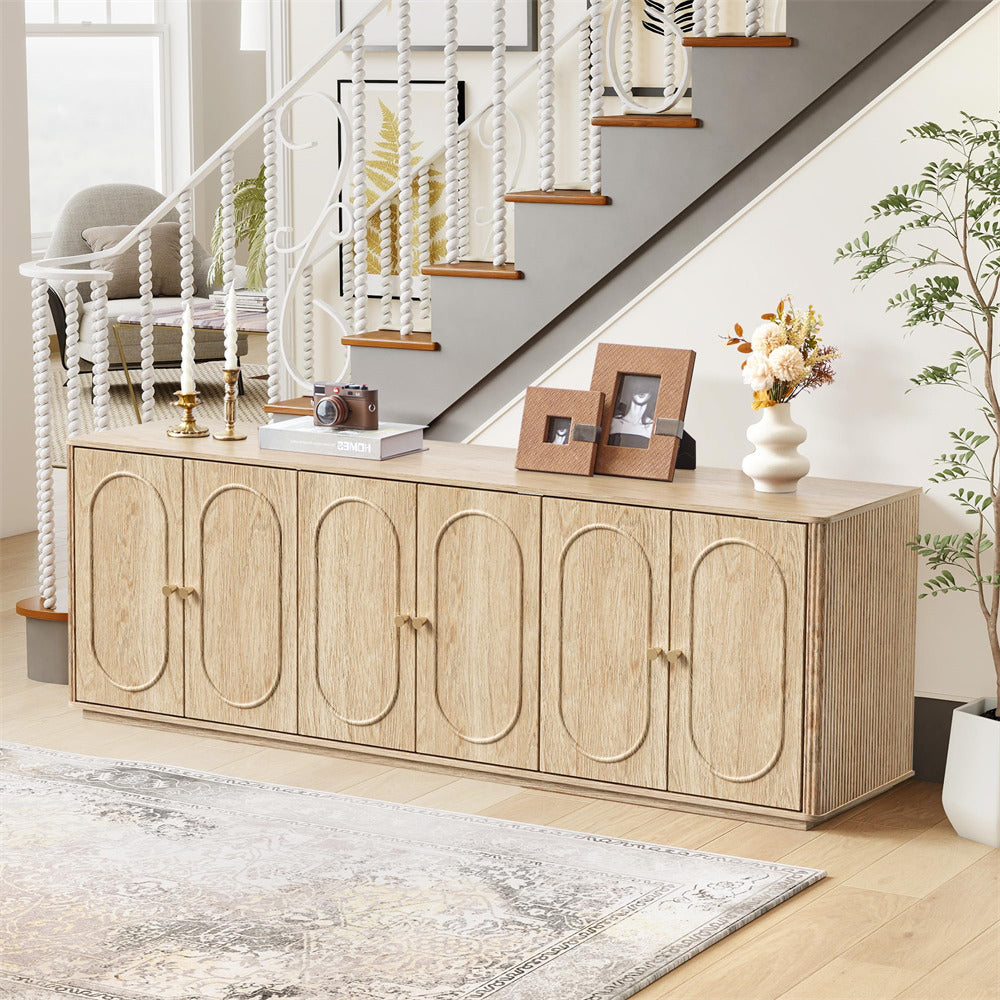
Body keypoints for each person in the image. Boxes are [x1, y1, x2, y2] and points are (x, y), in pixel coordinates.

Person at [608, 376, 658, 448]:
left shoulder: (652, 427)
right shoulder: (614, 422)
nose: (641, 392)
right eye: (637, 388)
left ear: (652, 392)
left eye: (646, 389)